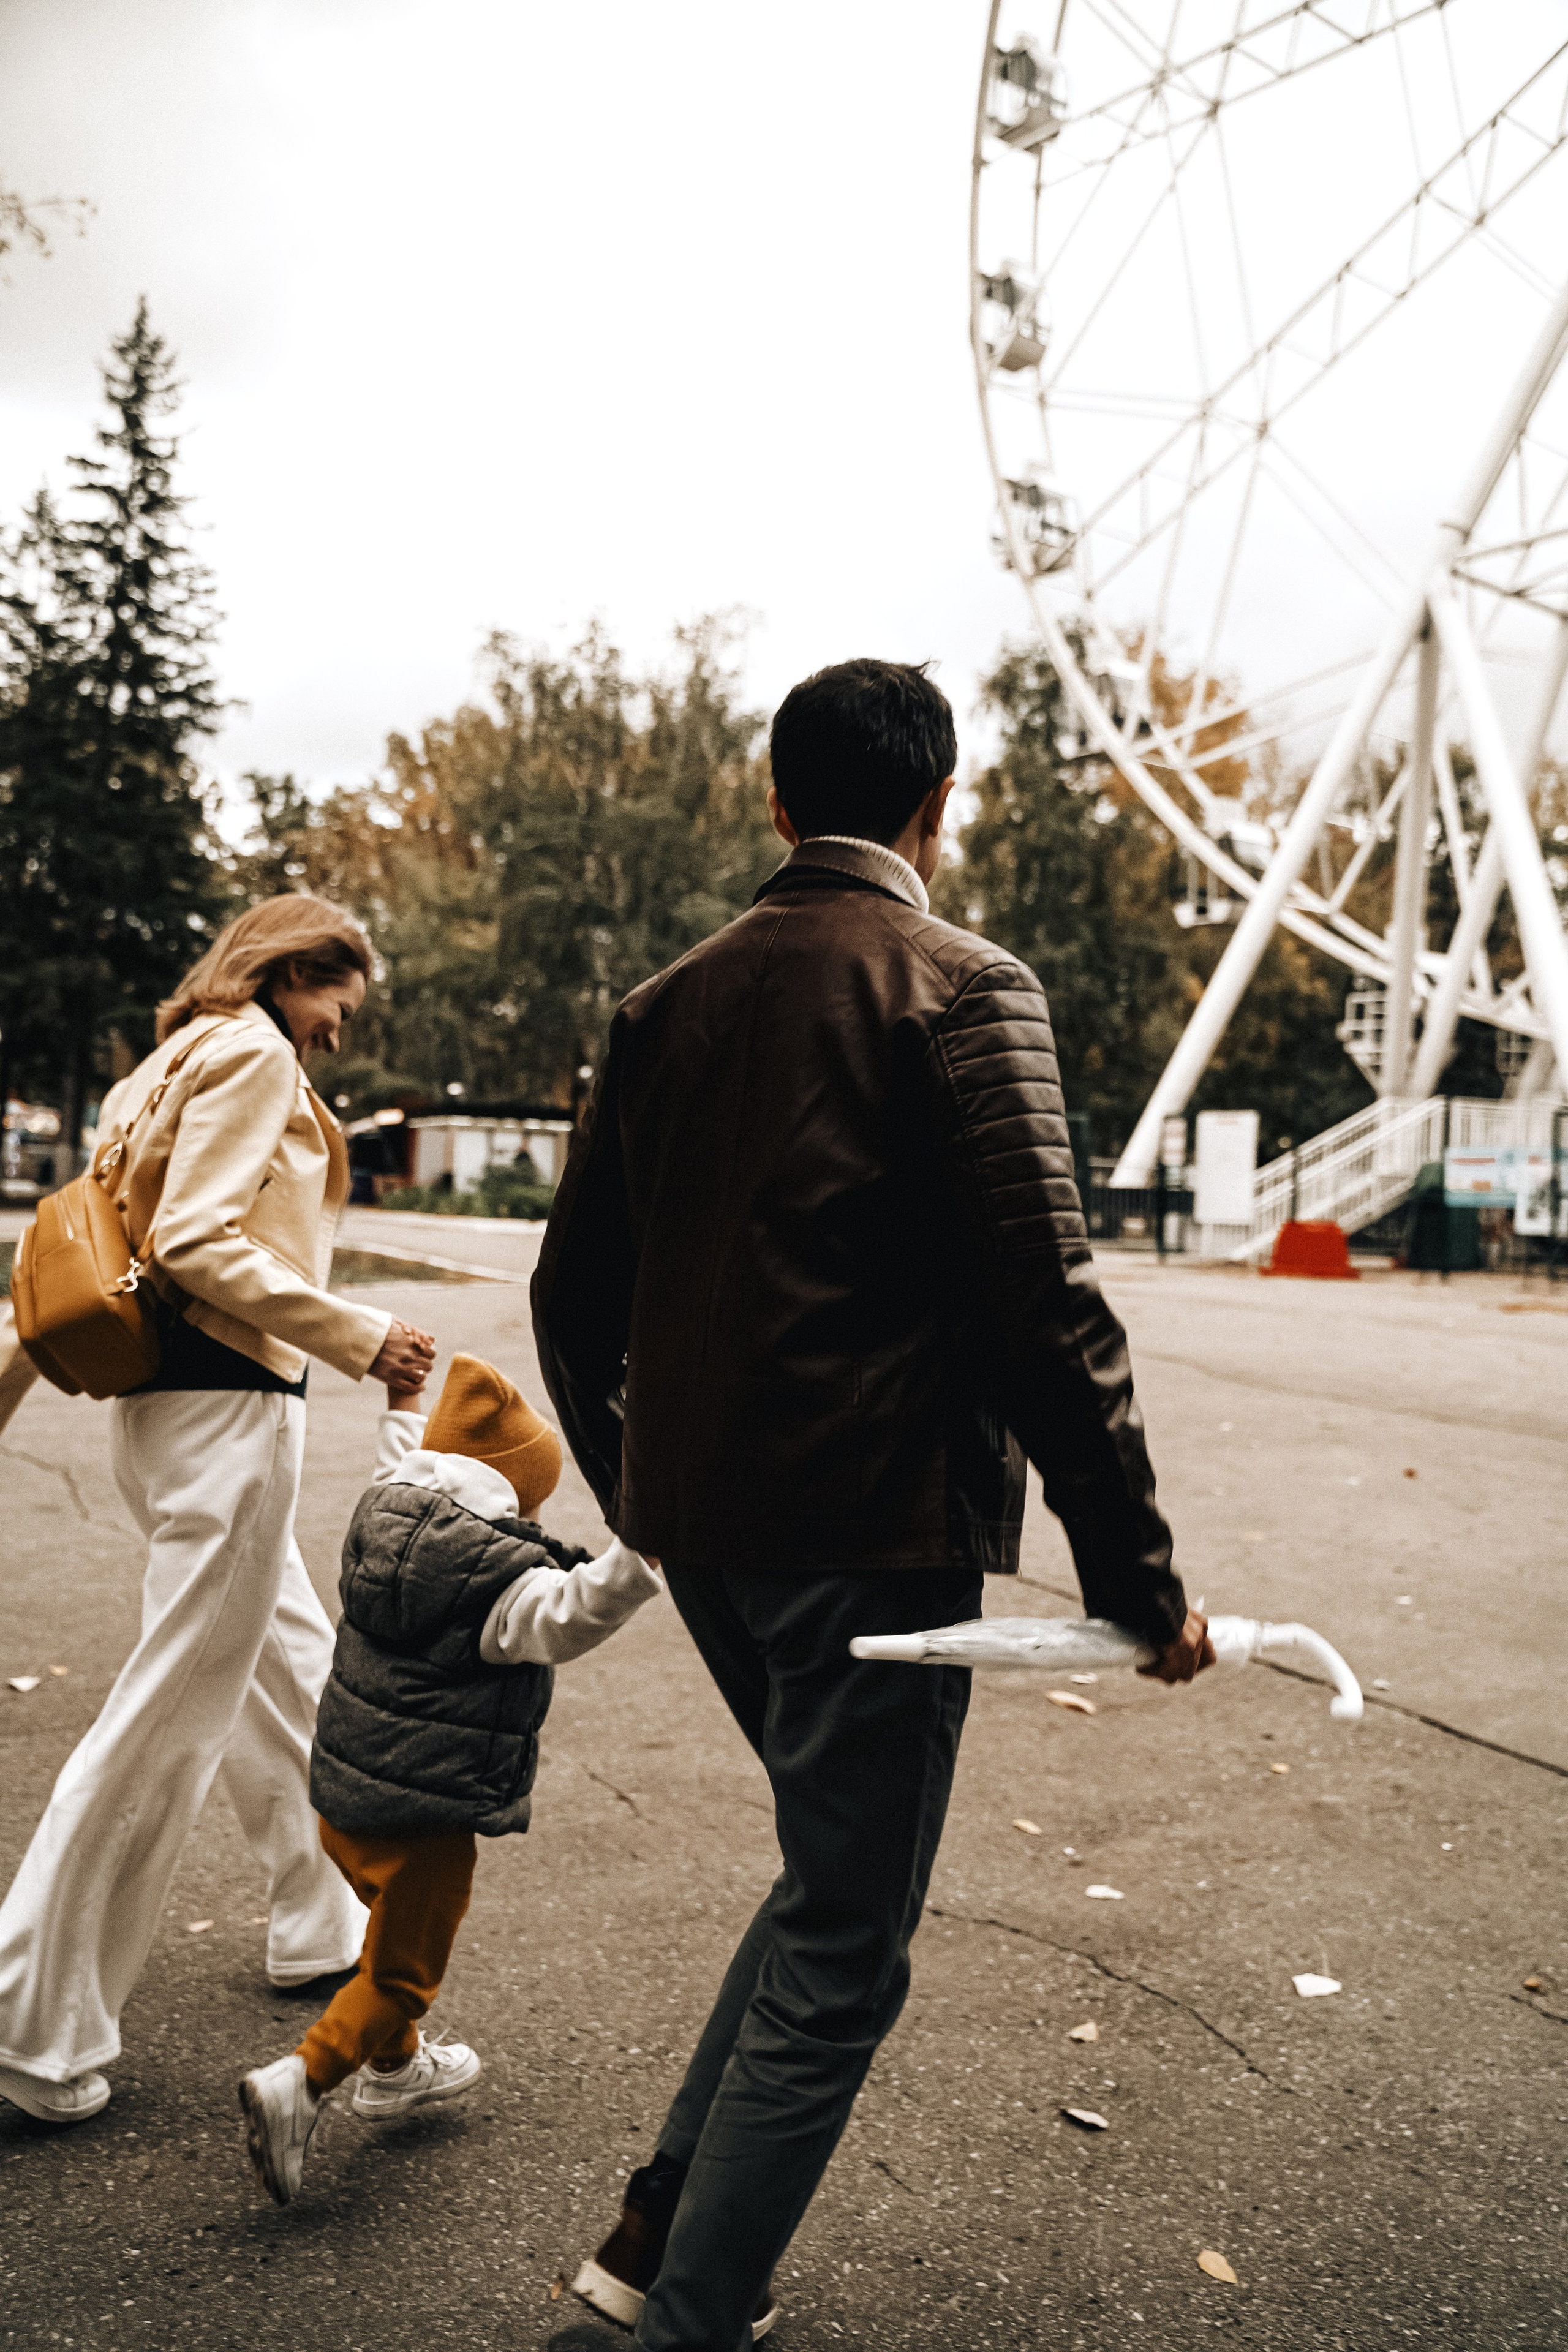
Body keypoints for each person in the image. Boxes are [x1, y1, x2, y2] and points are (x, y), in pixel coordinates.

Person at [532, 658, 1214, 2352]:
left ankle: (652, 2233)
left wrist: (646, 1494)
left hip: (712, 1539)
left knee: (822, 1879)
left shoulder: (665, 1003)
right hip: (878, 1546)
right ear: (942, 803)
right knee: (849, 1941)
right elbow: (1048, 1310)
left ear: (777, 804)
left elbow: (567, 1295)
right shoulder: (962, 990)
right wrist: (1138, 1577)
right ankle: (684, 2320)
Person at [0, 894, 437, 2126]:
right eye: (333, 1004)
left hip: (158, 1418)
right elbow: (194, 1240)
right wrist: (365, 1337)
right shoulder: (249, 1051)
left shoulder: (162, 1063)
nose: (335, 1034)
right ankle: (29, 2027)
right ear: (288, 970)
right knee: (160, 1731)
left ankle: (318, 1916)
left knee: (282, 1671)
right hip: (229, 1415)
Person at [237, 1351, 662, 2204]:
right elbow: (570, 1613)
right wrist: (643, 1547)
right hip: (424, 1817)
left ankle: (395, 2067)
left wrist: (406, 1403)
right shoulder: (497, 1586)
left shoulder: (382, 1521)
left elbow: (400, 1455)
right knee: (402, 1970)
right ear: (510, 1493)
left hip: (345, 1801)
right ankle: (303, 2081)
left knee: (380, 1932)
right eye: (532, 1496)